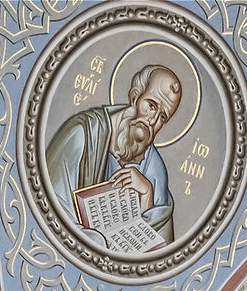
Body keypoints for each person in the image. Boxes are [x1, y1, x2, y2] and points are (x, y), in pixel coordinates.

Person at [41, 63, 184, 251]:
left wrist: (147, 193)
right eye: (151, 105)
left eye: (162, 117)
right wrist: (103, 244)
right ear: (135, 96)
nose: (152, 120)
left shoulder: (153, 166)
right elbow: (52, 214)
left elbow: (159, 250)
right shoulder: (81, 136)